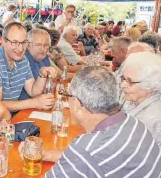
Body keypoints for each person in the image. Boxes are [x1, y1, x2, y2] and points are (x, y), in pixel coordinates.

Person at [20, 66, 161, 177]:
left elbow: (86, 157)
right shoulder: (134, 123)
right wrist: (47, 154)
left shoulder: (85, 150)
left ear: (76, 104)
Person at [0, 22, 56, 124]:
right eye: (15, 42)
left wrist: (41, 75)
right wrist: (34, 103)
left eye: (23, 43)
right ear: (3, 41)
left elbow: (32, 91)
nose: (20, 48)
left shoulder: (23, 59)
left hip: (14, 118)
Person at [121, 52, 161, 147]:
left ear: (149, 84)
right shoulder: (132, 99)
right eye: (123, 78)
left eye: (130, 81)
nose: (122, 85)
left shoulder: (155, 120)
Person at [19, 28, 57, 100]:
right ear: (28, 45)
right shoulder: (23, 60)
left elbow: (51, 82)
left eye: (46, 45)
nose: (42, 49)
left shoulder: (44, 58)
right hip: (24, 106)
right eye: (38, 45)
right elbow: (34, 93)